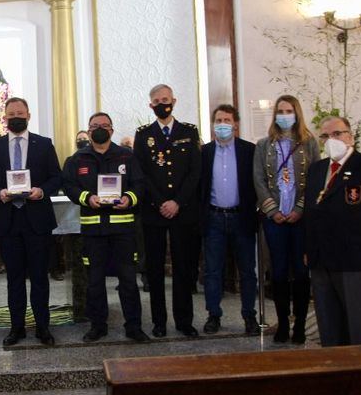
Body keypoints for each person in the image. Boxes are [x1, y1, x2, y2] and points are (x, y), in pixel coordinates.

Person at [305, 116, 361, 346]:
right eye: (325, 136)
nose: (331, 140)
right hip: (322, 261)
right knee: (329, 328)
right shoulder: (317, 170)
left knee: (358, 328)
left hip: (355, 262)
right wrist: (308, 250)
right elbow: (310, 214)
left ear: (350, 136)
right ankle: (334, 375)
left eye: (337, 134)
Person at [0, 97, 62, 346]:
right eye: (11, 113)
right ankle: (17, 328)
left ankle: (42, 327)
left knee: (39, 277)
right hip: (8, 221)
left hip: (37, 220)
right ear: (4, 117)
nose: (16, 117)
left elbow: (56, 177)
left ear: (28, 115)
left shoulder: (44, 145)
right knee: (14, 278)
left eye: (20, 113)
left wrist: (42, 190)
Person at [62, 112, 149, 343]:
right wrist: (86, 197)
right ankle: (97, 326)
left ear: (111, 130)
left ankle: (134, 326)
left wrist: (129, 198)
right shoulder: (77, 159)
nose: (99, 129)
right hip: (93, 231)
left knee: (128, 280)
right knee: (94, 281)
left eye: (104, 125)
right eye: (94, 126)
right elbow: (68, 186)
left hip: (123, 231)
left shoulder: (127, 156)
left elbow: (140, 184)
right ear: (88, 131)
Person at [133, 84, 201, 338]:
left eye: (166, 99)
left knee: (184, 268)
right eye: (157, 100)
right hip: (154, 211)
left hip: (183, 212)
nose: (162, 103)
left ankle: (184, 321)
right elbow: (141, 173)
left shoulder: (189, 132)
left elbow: (195, 172)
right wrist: (161, 201)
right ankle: (159, 322)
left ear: (174, 100)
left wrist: (177, 202)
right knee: (155, 269)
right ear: (151, 105)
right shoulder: (144, 135)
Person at [253, 94, 319, 344]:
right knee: (278, 271)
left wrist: (300, 209)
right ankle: (282, 324)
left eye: (288, 110)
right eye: (280, 111)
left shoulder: (309, 142)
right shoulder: (263, 144)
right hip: (275, 218)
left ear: (297, 113)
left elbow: (315, 177)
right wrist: (273, 211)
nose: (284, 115)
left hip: (301, 218)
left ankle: (300, 325)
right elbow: (258, 179)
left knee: (301, 272)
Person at [200, 105, 261, 335]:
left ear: (235, 124)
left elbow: (257, 183)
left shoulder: (249, 151)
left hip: (241, 218)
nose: (222, 124)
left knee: (247, 271)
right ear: (213, 123)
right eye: (218, 120)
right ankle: (213, 315)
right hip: (214, 218)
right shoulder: (204, 152)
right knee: (213, 271)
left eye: (227, 120)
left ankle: (249, 316)